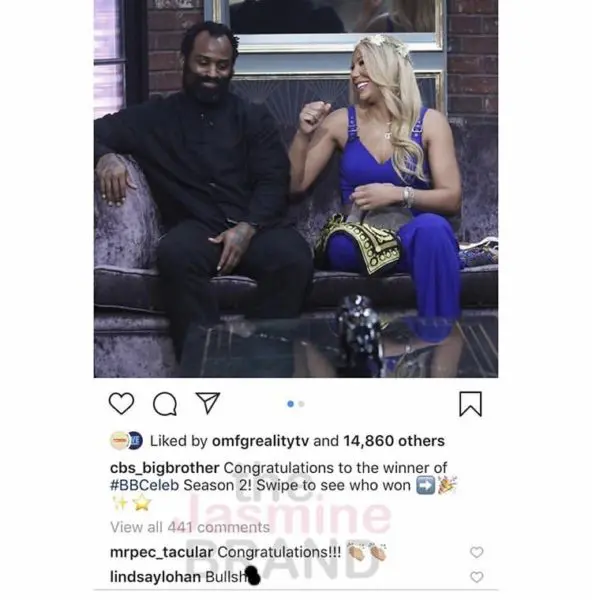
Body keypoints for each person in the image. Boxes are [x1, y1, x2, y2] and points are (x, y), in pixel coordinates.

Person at [95, 21, 314, 361]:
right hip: (197, 230)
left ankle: (258, 356)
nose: (212, 73)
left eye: (222, 66)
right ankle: (208, 365)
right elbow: (93, 132)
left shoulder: (253, 118)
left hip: (253, 227)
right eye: (203, 62)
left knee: (295, 257)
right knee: (174, 254)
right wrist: (105, 157)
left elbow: (274, 180)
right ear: (184, 60)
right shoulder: (154, 117)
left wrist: (247, 227)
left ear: (232, 69)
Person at [288, 34, 462, 339]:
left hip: (410, 235)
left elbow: (451, 198)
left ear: (389, 67)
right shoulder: (341, 122)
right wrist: (303, 135)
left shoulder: (430, 122)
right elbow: (294, 185)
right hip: (360, 235)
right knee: (341, 244)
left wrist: (397, 194)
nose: (354, 73)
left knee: (434, 230)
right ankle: (402, 338)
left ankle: (438, 342)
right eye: (352, 66)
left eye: (363, 63)